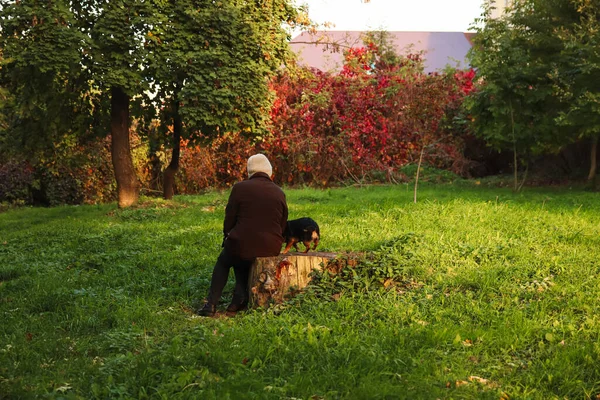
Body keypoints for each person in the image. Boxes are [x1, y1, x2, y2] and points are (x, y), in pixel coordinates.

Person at [197, 154, 288, 316]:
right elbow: (282, 222)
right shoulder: (279, 192)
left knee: (225, 261)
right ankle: (238, 298)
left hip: (241, 242)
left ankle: (211, 304)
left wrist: (228, 235)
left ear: (249, 172)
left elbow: (229, 217)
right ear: (270, 172)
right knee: (243, 254)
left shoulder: (240, 188)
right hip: (271, 246)